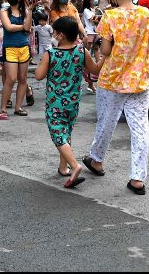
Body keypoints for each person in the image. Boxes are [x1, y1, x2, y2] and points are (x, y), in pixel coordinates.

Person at [84, 0, 149, 196]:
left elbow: (105, 49)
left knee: (107, 121)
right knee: (140, 128)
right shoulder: (145, 14)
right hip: (139, 79)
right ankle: (137, 177)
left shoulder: (110, 16)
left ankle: (97, 159)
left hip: (113, 79)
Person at [35, 16, 103, 189]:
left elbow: (38, 75)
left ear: (61, 35)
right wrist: (106, 57)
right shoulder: (82, 51)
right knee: (66, 132)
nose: (53, 35)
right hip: (73, 102)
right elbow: (95, 69)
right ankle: (63, 167)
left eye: (55, 33)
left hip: (55, 103)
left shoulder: (50, 54)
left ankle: (74, 166)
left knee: (58, 135)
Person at [0, 0, 35, 117]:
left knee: (23, 79)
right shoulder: (4, 11)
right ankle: (3, 108)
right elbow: (8, 27)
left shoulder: (25, 11)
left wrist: (30, 11)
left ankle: (18, 107)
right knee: (11, 78)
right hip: (10, 48)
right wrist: (23, 26)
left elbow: (28, 28)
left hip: (24, 47)